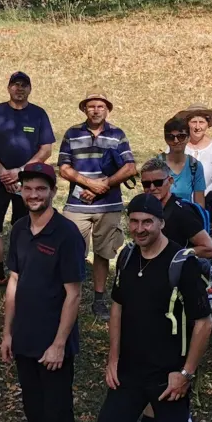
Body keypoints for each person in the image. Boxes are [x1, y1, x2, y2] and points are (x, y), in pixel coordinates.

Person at [41, 194, 212, 422]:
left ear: (161, 223)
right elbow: (117, 307)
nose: (139, 229)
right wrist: (113, 358)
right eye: (133, 222)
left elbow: (204, 323)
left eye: (147, 222)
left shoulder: (182, 264)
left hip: (168, 376)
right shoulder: (127, 256)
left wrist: (186, 373)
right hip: (130, 373)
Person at [0, 163, 85, 422]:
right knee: (34, 406)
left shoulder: (66, 234)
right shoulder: (19, 229)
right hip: (25, 337)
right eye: (28, 188)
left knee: (57, 409)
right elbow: (14, 282)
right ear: (20, 190)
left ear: (52, 191)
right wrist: (7, 332)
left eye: (40, 189)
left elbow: (74, 293)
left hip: (53, 342)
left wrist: (59, 344)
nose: (33, 194)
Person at [121, 157, 212, 422]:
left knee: (174, 359)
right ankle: (168, 417)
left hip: (180, 298)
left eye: (157, 183)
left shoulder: (180, 213)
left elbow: (210, 249)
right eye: (145, 183)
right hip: (150, 296)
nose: (151, 188)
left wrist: (175, 257)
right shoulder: (144, 211)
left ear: (170, 182)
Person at [59, 94, 137, 322]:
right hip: (77, 204)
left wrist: (103, 185)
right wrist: (90, 184)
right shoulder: (72, 133)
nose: (95, 110)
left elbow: (130, 167)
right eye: (91, 106)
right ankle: (70, 297)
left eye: (100, 106)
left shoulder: (117, 134)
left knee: (103, 253)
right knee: (72, 253)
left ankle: (99, 300)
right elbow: (63, 168)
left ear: (107, 109)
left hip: (108, 205)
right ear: (84, 109)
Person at [0, 71, 56, 289]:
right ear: (8, 88)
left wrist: (20, 171)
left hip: (27, 185)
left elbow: (46, 148)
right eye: (15, 85)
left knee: (26, 228)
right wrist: (3, 172)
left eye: (24, 85)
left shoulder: (38, 114)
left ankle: (22, 272)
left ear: (30, 89)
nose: (19, 89)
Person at [178, 105, 212, 225]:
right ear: (187, 123)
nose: (197, 127)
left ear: (207, 124)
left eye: (201, 122)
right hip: (180, 206)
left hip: (208, 207)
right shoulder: (178, 146)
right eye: (193, 122)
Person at [161, 116, 207, 207]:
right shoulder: (157, 164)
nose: (176, 141)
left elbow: (200, 204)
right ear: (166, 139)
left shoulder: (195, 166)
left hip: (186, 218)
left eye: (181, 136)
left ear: (188, 138)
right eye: (171, 137)